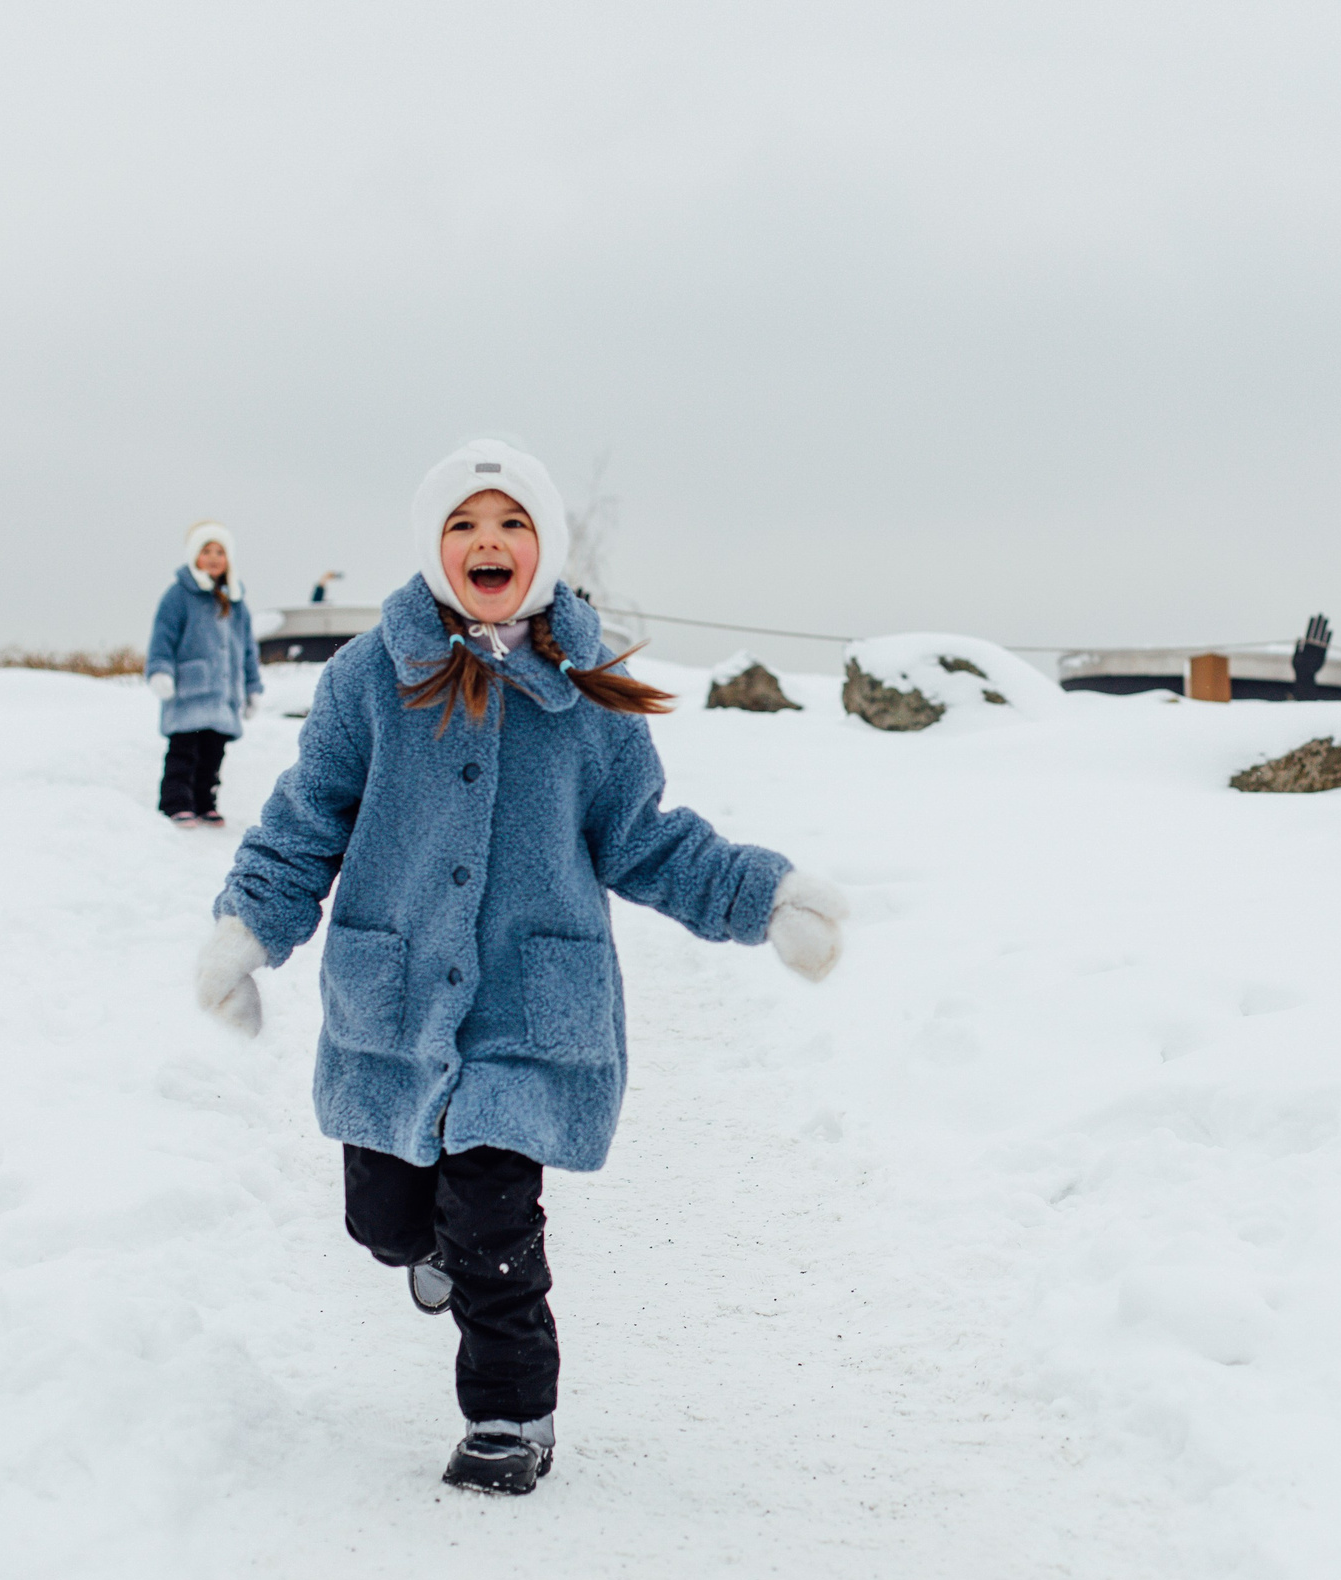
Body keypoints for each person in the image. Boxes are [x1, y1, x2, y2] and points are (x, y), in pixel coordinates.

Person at [190, 440, 849, 1496]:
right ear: (432, 549)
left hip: (525, 1015)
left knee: (497, 1226)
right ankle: (425, 1250)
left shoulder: (585, 695)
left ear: (541, 551)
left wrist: (762, 899)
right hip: (394, 1008)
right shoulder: (372, 679)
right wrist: (249, 933)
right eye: (462, 524)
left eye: (509, 524)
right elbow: (305, 823)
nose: (486, 541)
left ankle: (509, 1417)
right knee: (387, 1221)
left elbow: (647, 840)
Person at [146, 522, 263, 825]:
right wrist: (160, 670)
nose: (213, 557)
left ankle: (204, 801)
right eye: (206, 551)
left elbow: (248, 649)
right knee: (185, 751)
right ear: (194, 556)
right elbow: (163, 636)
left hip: (224, 694)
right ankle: (175, 802)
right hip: (188, 690)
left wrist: (253, 688)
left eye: (220, 552)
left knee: (213, 754)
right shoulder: (179, 595)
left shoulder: (236, 601)